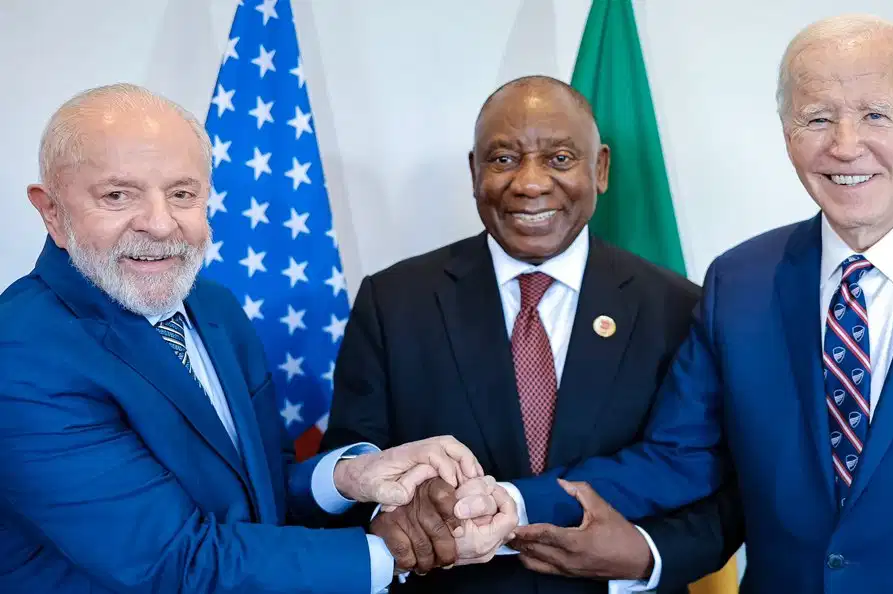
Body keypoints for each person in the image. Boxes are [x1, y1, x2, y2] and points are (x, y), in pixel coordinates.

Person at [506, 15, 893, 594]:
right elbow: (680, 457)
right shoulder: (740, 282)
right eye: (817, 119)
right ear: (787, 134)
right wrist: (509, 501)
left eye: (876, 115)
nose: (846, 145)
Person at [0, 83, 511, 594]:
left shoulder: (212, 304)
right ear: (51, 211)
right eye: (118, 195)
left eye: (182, 193)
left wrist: (351, 475)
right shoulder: (21, 354)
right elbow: (176, 563)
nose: (159, 224)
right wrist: (396, 554)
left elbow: (257, 485)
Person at [320, 75, 743, 594]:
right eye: (503, 159)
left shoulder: (679, 308)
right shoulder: (394, 302)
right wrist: (398, 514)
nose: (530, 183)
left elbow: (713, 488)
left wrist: (643, 557)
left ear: (601, 168)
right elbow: (351, 469)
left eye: (560, 158)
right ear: (474, 172)